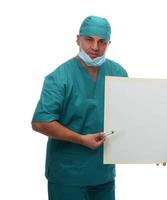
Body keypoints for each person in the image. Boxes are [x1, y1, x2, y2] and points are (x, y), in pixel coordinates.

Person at [32, 16, 128, 200]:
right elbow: (40, 122)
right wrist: (81, 139)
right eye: (89, 40)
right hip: (68, 175)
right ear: (78, 39)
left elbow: (130, 116)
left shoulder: (118, 73)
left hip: (103, 174)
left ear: (109, 43)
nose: (94, 47)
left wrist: (159, 148)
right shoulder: (60, 77)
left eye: (102, 42)